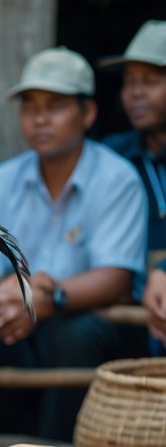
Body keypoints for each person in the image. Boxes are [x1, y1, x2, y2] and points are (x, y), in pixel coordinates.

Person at [0, 47, 148, 443]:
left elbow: (116, 277)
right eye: (30, 107)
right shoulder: (1, 180)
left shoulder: (117, 178)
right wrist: (1, 300)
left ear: (88, 114)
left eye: (56, 106)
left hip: (78, 321)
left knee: (76, 334)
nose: (40, 118)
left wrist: (49, 298)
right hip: (16, 318)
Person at [101, 20, 166, 351]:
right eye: (129, 82)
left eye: (150, 81)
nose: (135, 93)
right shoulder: (112, 156)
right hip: (127, 314)